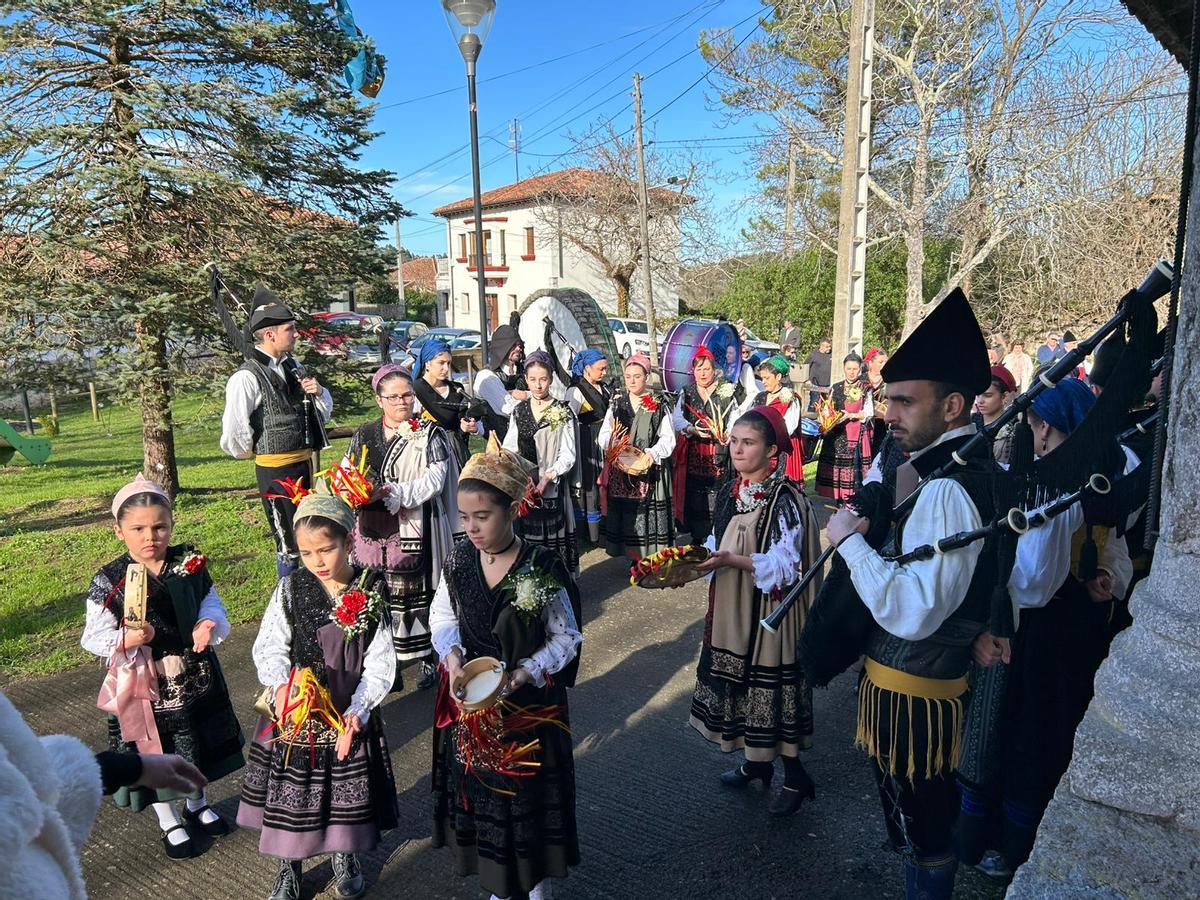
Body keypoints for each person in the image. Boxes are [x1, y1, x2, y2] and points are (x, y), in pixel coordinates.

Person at [825, 289, 1001, 900]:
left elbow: (914, 609)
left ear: (952, 406)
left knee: (924, 829)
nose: (890, 414)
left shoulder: (947, 488)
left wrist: (849, 543)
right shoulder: (949, 471)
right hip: (917, 686)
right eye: (888, 399)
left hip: (915, 697)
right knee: (918, 821)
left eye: (905, 401)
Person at [972, 378, 1134, 877]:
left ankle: (1013, 842)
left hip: (1049, 633)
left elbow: (1041, 578)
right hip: (1058, 629)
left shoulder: (1061, 488)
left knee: (1031, 734)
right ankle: (1007, 835)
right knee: (1033, 732)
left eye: (1033, 423)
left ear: (1044, 429)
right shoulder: (1072, 480)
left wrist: (1106, 576)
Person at [430, 442, 582, 900]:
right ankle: (499, 882)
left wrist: (525, 672)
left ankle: (536, 885)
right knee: (488, 794)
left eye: (483, 516)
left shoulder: (541, 566)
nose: (471, 528)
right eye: (464, 517)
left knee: (528, 796)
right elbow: (443, 617)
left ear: (513, 510)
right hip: (476, 706)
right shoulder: (458, 561)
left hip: (529, 708)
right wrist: (452, 658)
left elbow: (566, 637)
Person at [238, 485, 398, 900]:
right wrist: (282, 689)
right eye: (306, 553)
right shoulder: (291, 589)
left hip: (346, 707)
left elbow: (380, 657)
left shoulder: (370, 587)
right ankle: (288, 867)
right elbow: (270, 645)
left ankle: (345, 854)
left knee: (343, 788)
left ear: (349, 540)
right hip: (298, 709)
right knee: (292, 793)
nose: (317, 562)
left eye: (326, 550)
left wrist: (360, 708)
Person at [81, 475, 245, 860]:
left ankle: (197, 804)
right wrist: (126, 639)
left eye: (159, 527)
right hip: (144, 682)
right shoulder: (111, 579)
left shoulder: (187, 563)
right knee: (157, 749)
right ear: (119, 530)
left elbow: (210, 600)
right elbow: (93, 636)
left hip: (192, 671)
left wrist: (207, 622)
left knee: (197, 742)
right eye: (138, 528)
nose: (150, 537)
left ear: (171, 524)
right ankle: (168, 819)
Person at [689, 406, 823, 816]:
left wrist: (732, 560)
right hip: (734, 605)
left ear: (772, 452)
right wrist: (693, 564)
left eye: (748, 443)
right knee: (743, 687)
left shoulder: (786, 500)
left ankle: (796, 778)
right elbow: (717, 541)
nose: (737, 449)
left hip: (770, 613)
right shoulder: (732, 490)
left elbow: (786, 568)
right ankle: (756, 765)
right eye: (734, 441)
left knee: (771, 693)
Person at [344, 364, 460, 692]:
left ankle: (428, 657)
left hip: (416, 523)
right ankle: (386, 660)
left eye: (407, 395)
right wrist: (354, 489)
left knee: (419, 592)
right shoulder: (364, 433)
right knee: (378, 592)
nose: (401, 402)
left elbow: (436, 480)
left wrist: (395, 492)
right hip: (372, 528)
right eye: (393, 397)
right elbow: (348, 469)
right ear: (379, 400)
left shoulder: (429, 433)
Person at [220, 287, 333, 576]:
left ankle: (314, 590)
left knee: (312, 535)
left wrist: (318, 392)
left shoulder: (295, 367)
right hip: (275, 472)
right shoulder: (246, 377)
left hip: (305, 466)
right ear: (270, 335)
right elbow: (234, 431)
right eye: (290, 329)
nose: (296, 334)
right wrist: (260, 451)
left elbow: (320, 413)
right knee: (288, 543)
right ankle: (288, 596)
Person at [502, 350, 579, 573]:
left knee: (553, 544)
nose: (538, 385)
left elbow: (568, 453)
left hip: (551, 485)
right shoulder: (519, 410)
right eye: (533, 379)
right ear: (526, 379)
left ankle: (557, 582)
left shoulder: (562, 410)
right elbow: (510, 447)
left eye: (543, 379)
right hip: (526, 487)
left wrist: (549, 476)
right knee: (527, 541)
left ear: (551, 379)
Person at [598, 354, 676, 559]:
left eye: (637, 376)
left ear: (647, 377)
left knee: (647, 519)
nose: (632, 381)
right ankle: (632, 558)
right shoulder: (617, 405)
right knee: (627, 519)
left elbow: (668, 438)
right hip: (621, 470)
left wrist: (652, 453)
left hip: (649, 470)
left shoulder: (658, 405)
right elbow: (604, 435)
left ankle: (645, 561)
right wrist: (614, 445)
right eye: (628, 376)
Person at [545, 321, 612, 543]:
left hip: (604, 439)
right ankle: (589, 533)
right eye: (600, 368)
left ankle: (604, 527)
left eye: (605, 368)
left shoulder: (605, 388)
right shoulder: (575, 391)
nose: (604, 372)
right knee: (589, 484)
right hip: (586, 442)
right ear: (587, 369)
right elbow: (567, 418)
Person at [672, 347, 743, 542]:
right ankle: (697, 537)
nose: (703, 374)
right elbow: (676, 419)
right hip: (694, 451)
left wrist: (727, 433)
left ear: (714, 370)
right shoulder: (687, 392)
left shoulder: (726, 390)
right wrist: (691, 429)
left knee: (718, 492)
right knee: (695, 493)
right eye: (699, 369)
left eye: (706, 369)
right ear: (693, 371)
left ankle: (718, 535)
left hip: (718, 451)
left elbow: (736, 415)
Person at [413, 338, 483, 466]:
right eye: (441, 363)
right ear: (427, 363)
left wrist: (467, 427)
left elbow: (461, 428)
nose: (446, 368)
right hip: (425, 455)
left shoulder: (457, 389)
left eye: (448, 363)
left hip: (456, 454)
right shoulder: (415, 389)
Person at [815, 353, 874, 502]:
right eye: (849, 368)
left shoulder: (865, 387)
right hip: (836, 435)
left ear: (860, 369)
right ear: (843, 368)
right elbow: (828, 409)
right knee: (836, 471)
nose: (851, 372)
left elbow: (868, 413)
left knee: (853, 475)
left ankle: (852, 503)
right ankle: (838, 502)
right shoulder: (836, 387)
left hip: (855, 436)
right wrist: (827, 419)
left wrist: (851, 415)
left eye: (855, 369)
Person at [746, 354, 805, 484]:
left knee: (782, 485)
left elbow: (789, 426)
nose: (763, 382)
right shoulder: (760, 397)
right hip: (762, 447)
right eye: (762, 378)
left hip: (783, 447)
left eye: (767, 378)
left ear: (778, 377)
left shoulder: (790, 398)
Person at [473, 321, 527, 441]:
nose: (519, 348)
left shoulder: (524, 371)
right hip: (499, 442)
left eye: (519, 345)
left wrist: (526, 395)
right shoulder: (486, 376)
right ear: (503, 347)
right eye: (514, 345)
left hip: (525, 438)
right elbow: (507, 408)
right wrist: (530, 397)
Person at [973, 365, 1017, 465]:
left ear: (1004, 396)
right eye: (978, 394)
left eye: (987, 395)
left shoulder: (1015, 429)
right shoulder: (970, 423)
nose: (980, 401)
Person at [864, 347, 889, 451]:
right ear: (870, 363)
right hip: (862, 429)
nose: (884, 364)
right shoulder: (861, 381)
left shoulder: (889, 382)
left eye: (886, 362)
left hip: (882, 428)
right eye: (881, 362)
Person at [803, 338, 833, 410]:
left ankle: (822, 416)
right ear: (821, 346)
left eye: (830, 346)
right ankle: (810, 415)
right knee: (814, 403)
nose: (829, 348)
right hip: (815, 383)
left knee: (825, 404)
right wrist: (807, 379)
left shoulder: (832, 355)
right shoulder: (813, 354)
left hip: (827, 383)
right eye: (827, 346)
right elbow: (805, 366)